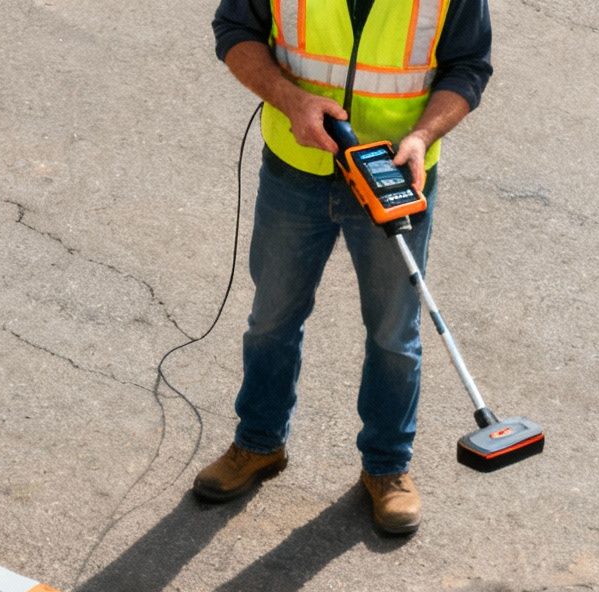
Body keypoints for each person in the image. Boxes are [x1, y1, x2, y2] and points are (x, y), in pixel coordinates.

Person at [203, 0, 493, 535]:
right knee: (271, 319)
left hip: (395, 176)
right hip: (296, 170)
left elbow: (469, 65)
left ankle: (387, 468)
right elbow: (235, 30)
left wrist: (423, 136)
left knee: (393, 334)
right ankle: (258, 443)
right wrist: (290, 100)